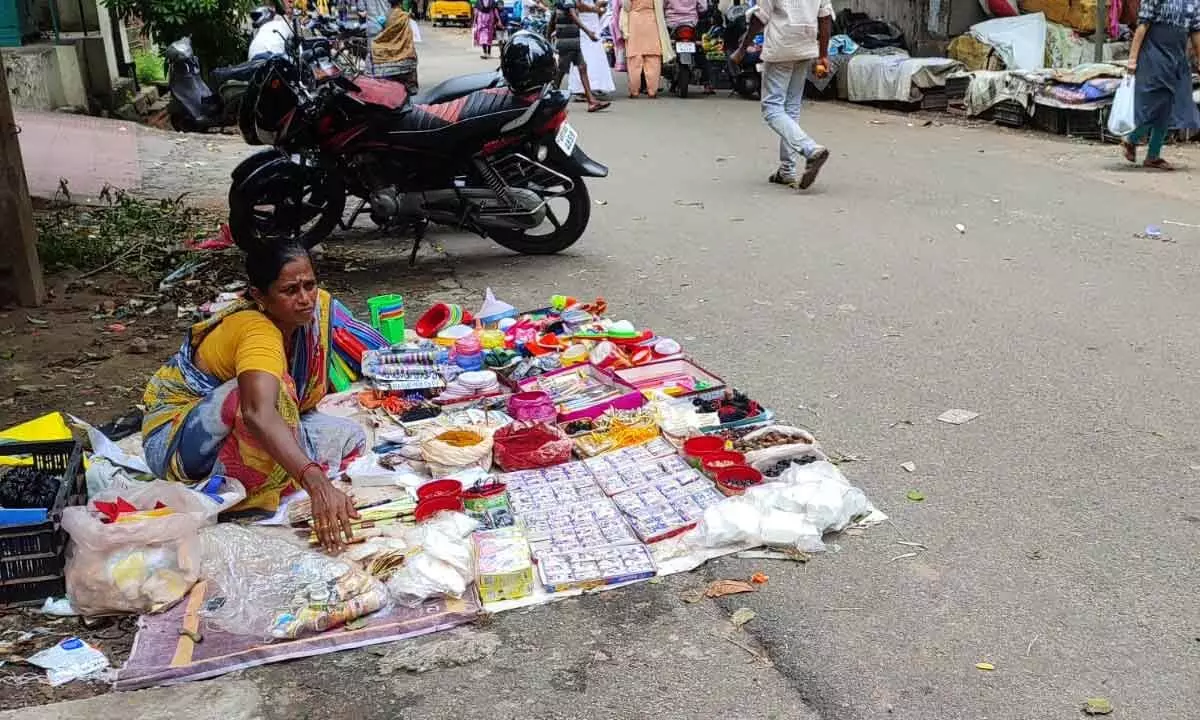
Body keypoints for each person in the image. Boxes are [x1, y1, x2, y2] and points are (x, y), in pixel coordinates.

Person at [142, 245, 367, 551]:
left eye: (310, 285)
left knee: (351, 435)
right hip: (178, 440)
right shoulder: (254, 329)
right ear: (259, 296)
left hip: (245, 426)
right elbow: (256, 412)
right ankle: (245, 502)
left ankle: (271, 478)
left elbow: (362, 344)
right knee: (268, 395)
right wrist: (317, 483)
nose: (305, 299)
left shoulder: (318, 310)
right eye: (289, 290)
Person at [731, 0, 832, 190]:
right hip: (805, 48)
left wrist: (742, 49)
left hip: (780, 48)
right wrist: (823, 55)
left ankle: (810, 149)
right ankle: (787, 170)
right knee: (791, 110)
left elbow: (760, 17)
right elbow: (825, 17)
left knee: (772, 108)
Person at [1120, 0, 1200, 170]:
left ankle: (1153, 156)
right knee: (1155, 104)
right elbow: (1142, 27)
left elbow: (1195, 33)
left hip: (1177, 59)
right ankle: (1131, 139)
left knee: (1169, 106)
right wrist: (1132, 60)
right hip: (1154, 55)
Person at [551, 0, 612, 111]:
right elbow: (573, 15)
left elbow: (553, 18)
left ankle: (592, 101)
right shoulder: (568, 1)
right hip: (567, 38)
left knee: (582, 67)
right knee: (561, 70)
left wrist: (549, 34)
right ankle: (550, 100)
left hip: (572, 37)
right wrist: (588, 32)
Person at [621, 0, 672, 98]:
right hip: (652, 21)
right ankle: (652, 91)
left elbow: (626, 6)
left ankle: (634, 91)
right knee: (653, 59)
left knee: (634, 60)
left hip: (634, 23)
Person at [568, 0, 617, 99]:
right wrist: (595, 9)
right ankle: (582, 88)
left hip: (592, 20)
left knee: (595, 55)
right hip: (584, 20)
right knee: (586, 53)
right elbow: (578, 5)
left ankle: (594, 86)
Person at [664, 0, 713, 94]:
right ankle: (706, 83)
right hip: (691, 24)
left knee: (665, 47)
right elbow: (703, 8)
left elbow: (663, 5)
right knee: (700, 51)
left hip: (671, 23)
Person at [373, 0, 421, 92]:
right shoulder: (405, 16)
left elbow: (384, 34)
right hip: (405, 57)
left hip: (387, 58)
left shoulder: (384, 17)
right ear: (401, 3)